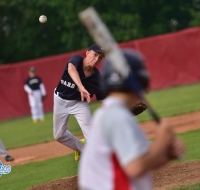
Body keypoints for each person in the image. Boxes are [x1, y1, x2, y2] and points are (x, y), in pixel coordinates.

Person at [78, 49, 186, 190]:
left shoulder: (111, 113)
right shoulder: (117, 116)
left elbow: (143, 158)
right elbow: (135, 168)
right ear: (140, 82)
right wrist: (162, 139)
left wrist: (167, 154)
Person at [53, 44, 106, 161]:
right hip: (60, 100)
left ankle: (100, 164)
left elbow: (103, 98)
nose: (97, 59)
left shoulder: (97, 78)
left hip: (78, 103)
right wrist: (81, 87)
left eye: (100, 57)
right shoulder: (76, 59)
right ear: (87, 53)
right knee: (58, 135)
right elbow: (71, 69)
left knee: (91, 135)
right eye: (95, 54)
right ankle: (80, 146)